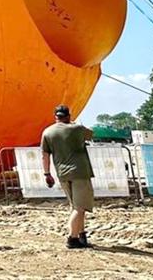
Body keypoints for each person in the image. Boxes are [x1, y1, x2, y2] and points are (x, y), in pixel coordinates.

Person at [41, 104, 95, 249]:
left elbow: (45, 155)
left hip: (62, 173)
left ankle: (82, 235)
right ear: (68, 116)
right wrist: (74, 124)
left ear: (55, 117)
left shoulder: (47, 132)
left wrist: (47, 174)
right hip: (80, 172)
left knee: (76, 206)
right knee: (80, 207)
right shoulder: (76, 129)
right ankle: (72, 238)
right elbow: (91, 133)